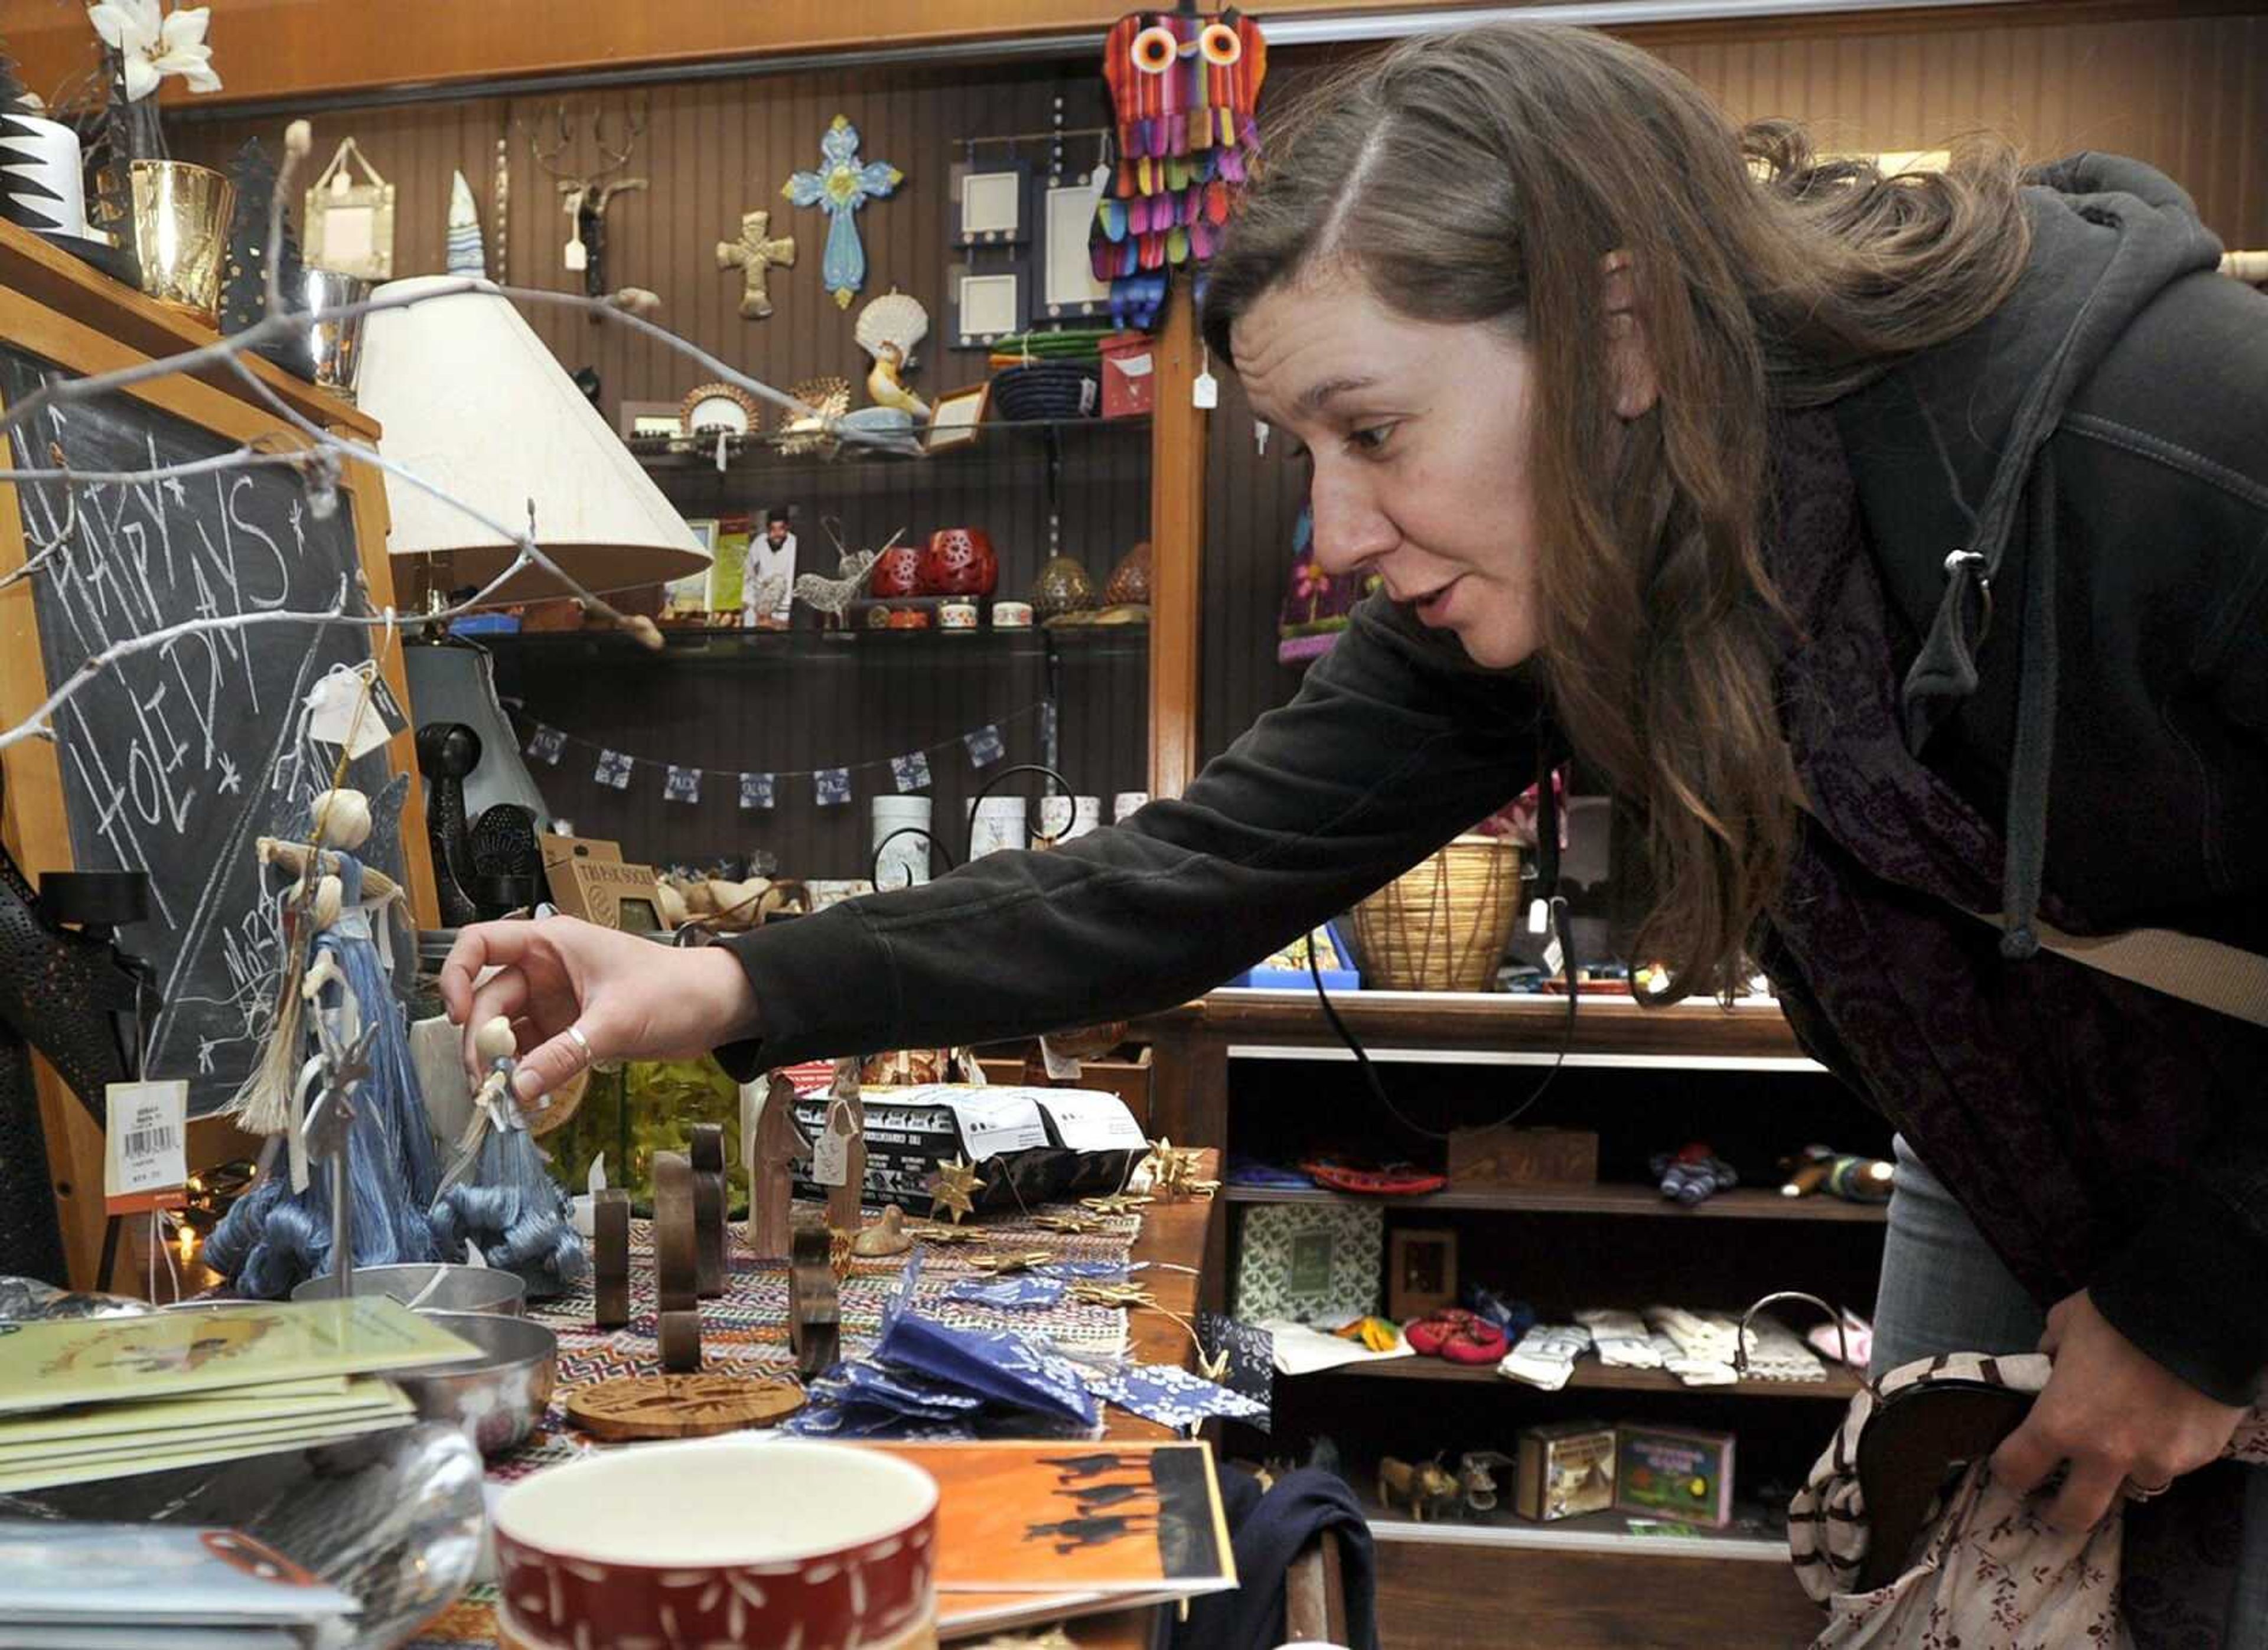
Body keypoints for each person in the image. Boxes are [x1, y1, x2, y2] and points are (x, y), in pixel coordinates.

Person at [442, 22, 2267, 1637]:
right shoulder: (1581, 551)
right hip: (2012, 1152)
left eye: (1371, 429)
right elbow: (1183, 874)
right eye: (1301, 447)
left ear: (1615, 332)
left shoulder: (2143, 434)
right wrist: (714, 977)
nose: (1327, 531)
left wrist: (2195, 1300)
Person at [741, 507, 797, 628]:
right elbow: (747, 573)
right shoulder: (759, 542)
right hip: (762, 610)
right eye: (773, 530)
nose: (777, 534)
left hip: (786, 611)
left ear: (787, 528)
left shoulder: (795, 544)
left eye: (781, 529)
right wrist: (749, 602)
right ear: (767, 530)